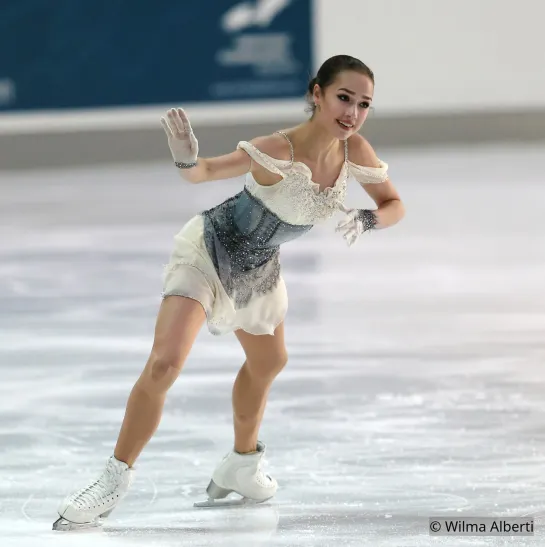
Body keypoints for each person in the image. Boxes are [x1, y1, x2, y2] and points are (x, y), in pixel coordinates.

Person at [52, 54, 405, 531]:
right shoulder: (276, 148)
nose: (353, 113)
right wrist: (185, 156)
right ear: (316, 94)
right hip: (208, 251)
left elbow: (393, 203)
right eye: (344, 98)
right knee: (165, 363)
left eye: (364, 104)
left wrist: (369, 218)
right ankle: (113, 478)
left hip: (259, 270)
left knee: (269, 362)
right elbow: (202, 172)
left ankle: (242, 463)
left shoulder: (355, 151)